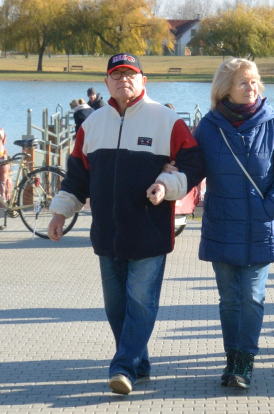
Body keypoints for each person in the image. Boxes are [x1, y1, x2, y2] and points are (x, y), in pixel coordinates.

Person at [48, 54, 204, 395]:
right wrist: (60, 212)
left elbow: (194, 166)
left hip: (150, 231)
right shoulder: (91, 125)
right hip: (107, 233)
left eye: (130, 74)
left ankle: (122, 368)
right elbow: (76, 178)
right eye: (116, 75)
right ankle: (139, 362)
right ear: (106, 83)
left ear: (143, 80)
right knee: (115, 307)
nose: (123, 80)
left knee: (140, 302)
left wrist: (167, 186)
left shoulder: (167, 120)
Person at [194, 58, 274, 388]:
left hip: (260, 227)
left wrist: (271, 206)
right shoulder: (209, 127)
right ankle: (231, 358)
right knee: (229, 301)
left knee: (252, 298)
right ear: (226, 88)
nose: (252, 87)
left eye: (255, 81)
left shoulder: (271, 123)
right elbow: (190, 168)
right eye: (244, 82)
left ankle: (244, 362)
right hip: (221, 227)